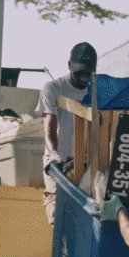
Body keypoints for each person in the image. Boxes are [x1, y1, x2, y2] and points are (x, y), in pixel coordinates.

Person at [36, 42, 97, 225]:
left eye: (87, 73)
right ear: (69, 66)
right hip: (58, 163)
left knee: (84, 218)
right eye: (79, 72)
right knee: (57, 214)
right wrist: (54, 154)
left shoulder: (97, 90)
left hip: (84, 164)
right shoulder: (54, 88)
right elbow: (49, 128)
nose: (83, 77)